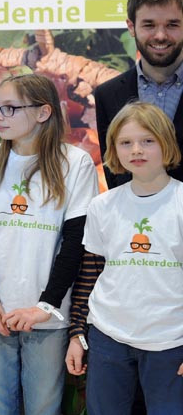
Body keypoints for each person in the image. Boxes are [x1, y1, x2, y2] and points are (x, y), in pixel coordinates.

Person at [0, 73, 98, 415]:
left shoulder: (75, 163)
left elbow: (74, 243)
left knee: (44, 408)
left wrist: (46, 306)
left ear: (42, 112)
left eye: (9, 108)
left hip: (46, 315)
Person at [65, 102, 183, 415]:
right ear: (114, 150)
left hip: (170, 341)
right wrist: (78, 332)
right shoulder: (103, 206)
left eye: (148, 140)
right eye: (125, 142)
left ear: (166, 143)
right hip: (108, 337)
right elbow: (90, 273)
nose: (136, 150)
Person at [94, 0, 183, 189]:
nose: (160, 35)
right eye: (149, 25)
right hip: (134, 219)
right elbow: (114, 170)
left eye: (172, 24)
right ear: (131, 27)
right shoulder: (108, 95)